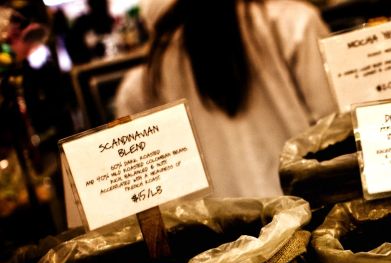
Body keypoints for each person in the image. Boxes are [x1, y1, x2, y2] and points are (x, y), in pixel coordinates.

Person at [115, 0, 336, 198]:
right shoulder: (293, 23)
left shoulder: (142, 83)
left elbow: (153, 192)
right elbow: (334, 129)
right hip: (306, 225)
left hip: (219, 241)